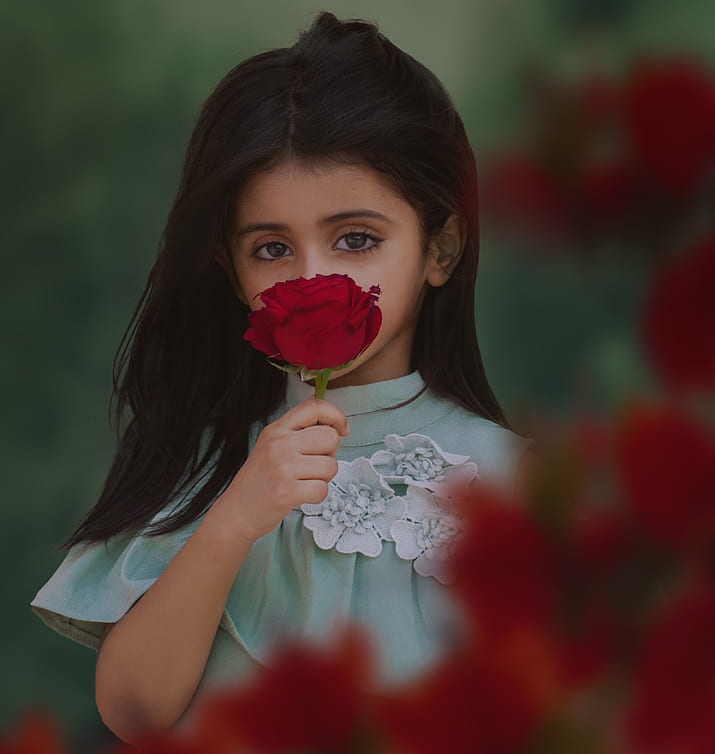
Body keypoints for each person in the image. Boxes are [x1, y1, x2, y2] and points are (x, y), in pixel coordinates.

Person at [30, 9, 535, 745]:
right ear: (230, 270)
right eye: (271, 248)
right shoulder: (197, 462)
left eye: (356, 239)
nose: (313, 277)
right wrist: (235, 517)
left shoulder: (514, 480)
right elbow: (134, 711)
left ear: (442, 249)